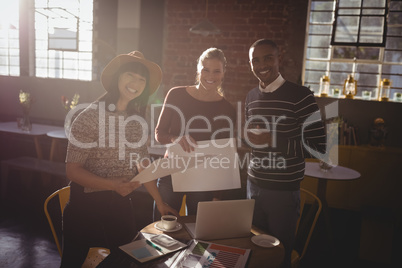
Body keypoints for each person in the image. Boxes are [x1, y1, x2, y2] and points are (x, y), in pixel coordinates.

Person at [61, 51, 178, 267]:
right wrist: (112, 185)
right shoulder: (88, 116)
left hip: (121, 208)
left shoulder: (137, 122)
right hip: (84, 210)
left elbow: (144, 165)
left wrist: (160, 203)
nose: (136, 82)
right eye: (130, 75)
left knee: (131, 262)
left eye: (142, 79)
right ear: (117, 77)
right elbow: (72, 171)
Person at [245, 39, 326, 268]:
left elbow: (318, 147)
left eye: (268, 57)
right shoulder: (250, 96)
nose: (262, 64)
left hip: (283, 192)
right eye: (255, 60)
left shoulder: (301, 96)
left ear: (280, 59)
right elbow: (253, 140)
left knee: (279, 256)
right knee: (254, 255)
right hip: (252, 185)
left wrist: (273, 139)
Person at [154, 47, 236, 219]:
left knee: (197, 235)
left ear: (223, 73)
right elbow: (159, 133)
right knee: (163, 229)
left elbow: (223, 156)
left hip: (203, 180)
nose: (210, 76)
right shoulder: (176, 94)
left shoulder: (227, 109)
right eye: (206, 70)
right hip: (171, 173)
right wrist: (175, 138)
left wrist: (217, 196)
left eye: (216, 71)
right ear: (198, 70)